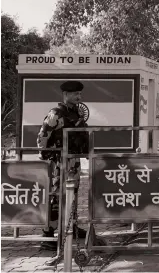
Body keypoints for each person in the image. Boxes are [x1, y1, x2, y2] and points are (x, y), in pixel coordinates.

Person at [37, 80, 89, 251]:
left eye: (80, 94)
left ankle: (70, 227)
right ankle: (48, 234)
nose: (79, 97)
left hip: (73, 162)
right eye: (75, 94)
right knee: (56, 197)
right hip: (59, 163)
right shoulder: (56, 114)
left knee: (72, 194)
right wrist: (48, 157)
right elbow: (42, 137)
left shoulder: (77, 114)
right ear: (65, 95)